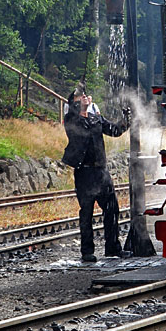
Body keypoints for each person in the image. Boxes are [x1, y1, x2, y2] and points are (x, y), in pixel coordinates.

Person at [62, 83, 132, 262]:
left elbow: (115, 131)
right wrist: (81, 104)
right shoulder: (71, 120)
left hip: (101, 172)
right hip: (84, 173)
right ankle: (87, 251)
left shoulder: (96, 118)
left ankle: (113, 248)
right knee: (86, 212)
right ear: (74, 104)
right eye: (80, 98)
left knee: (112, 210)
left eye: (84, 96)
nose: (84, 98)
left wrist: (126, 119)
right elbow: (74, 125)